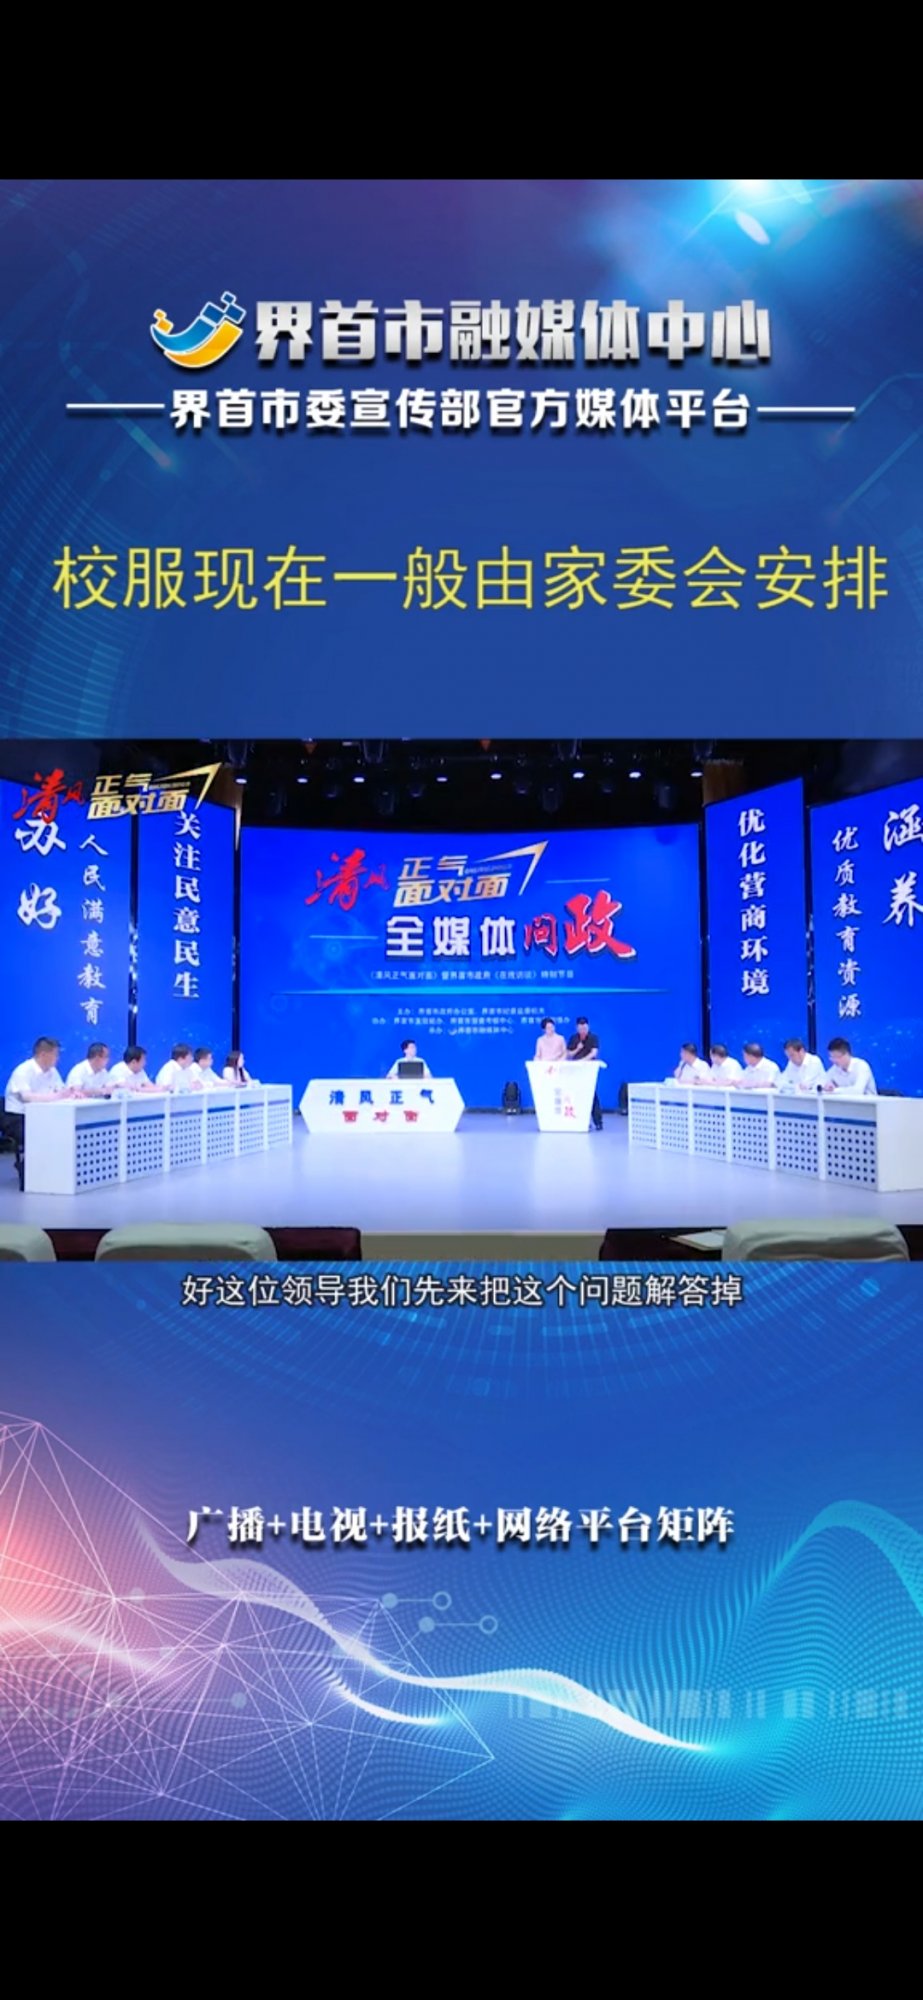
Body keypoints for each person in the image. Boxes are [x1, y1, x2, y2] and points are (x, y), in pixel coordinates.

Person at [4, 1036, 67, 1112]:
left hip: (41, 1112)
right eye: (56, 1055)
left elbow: (61, 1090)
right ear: (43, 1055)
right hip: (19, 1115)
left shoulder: (52, 1070)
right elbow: (27, 1097)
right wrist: (55, 1097)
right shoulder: (23, 1071)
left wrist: (69, 1093)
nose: (58, 1058)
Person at [566, 1016, 603, 1130]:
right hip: (575, 1070)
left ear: (588, 1027)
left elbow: (594, 1053)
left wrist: (582, 1061)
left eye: (585, 1027)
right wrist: (577, 1049)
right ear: (577, 1028)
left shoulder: (593, 1037)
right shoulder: (573, 1038)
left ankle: (598, 1121)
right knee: (577, 1095)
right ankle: (582, 1121)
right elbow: (569, 1054)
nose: (583, 1030)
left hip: (588, 1070)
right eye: (580, 1028)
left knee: (591, 1095)